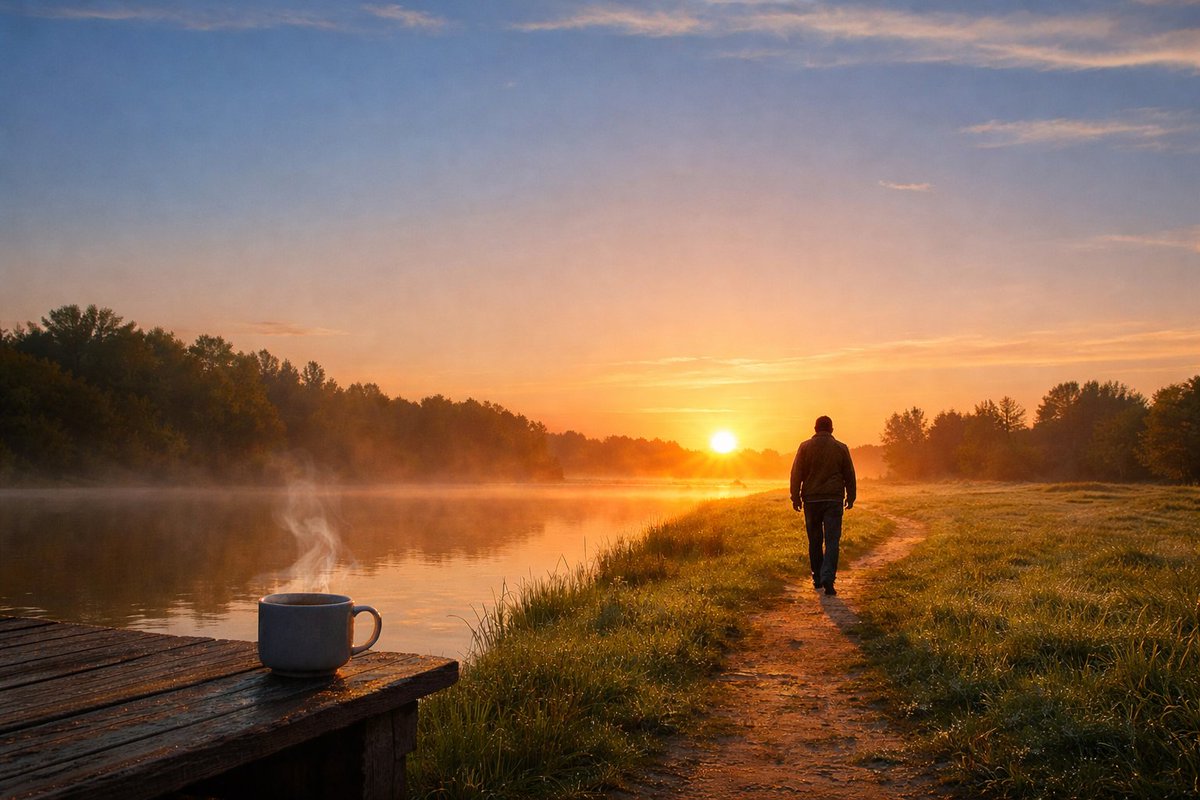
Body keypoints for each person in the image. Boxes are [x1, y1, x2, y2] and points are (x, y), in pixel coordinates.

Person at [790, 415, 856, 596]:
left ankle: (817, 577)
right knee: (832, 541)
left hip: (811, 500)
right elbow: (849, 473)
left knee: (815, 540)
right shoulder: (841, 448)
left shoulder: (804, 447)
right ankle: (828, 577)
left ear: (815, 429)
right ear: (832, 429)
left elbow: (796, 473)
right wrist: (851, 496)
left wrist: (795, 496)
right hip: (834, 500)